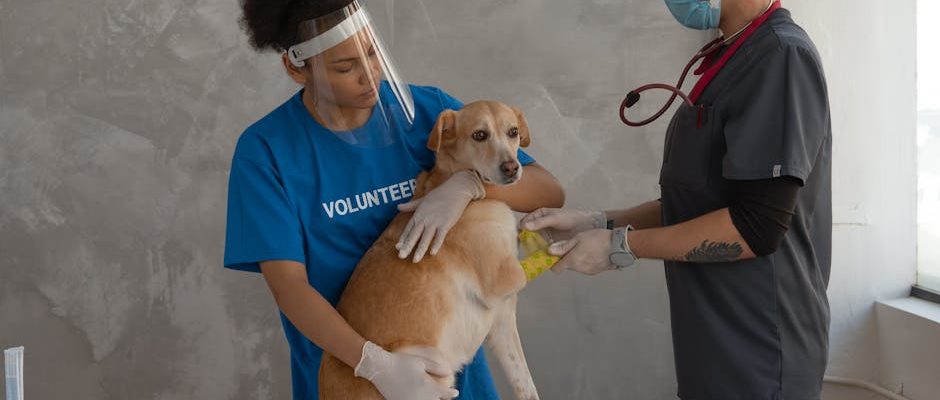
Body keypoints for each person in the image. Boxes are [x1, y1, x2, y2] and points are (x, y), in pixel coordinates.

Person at [223, 1, 565, 399]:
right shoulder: (267, 152)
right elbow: (290, 290)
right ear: (297, 69)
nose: (369, 75)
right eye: (345, 67)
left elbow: (547, 189)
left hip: (450, 373)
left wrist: (470, 185)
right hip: (352, 377)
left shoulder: (426, 112)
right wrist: (375, 364)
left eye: (372, 53)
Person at [522, 0, 832, 399]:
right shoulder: (731, 56)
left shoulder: (781, 56)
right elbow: (699, 204)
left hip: (762, 348)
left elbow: (757, 226)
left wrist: (621, 247)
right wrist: (598, 222)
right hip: (713, 346)